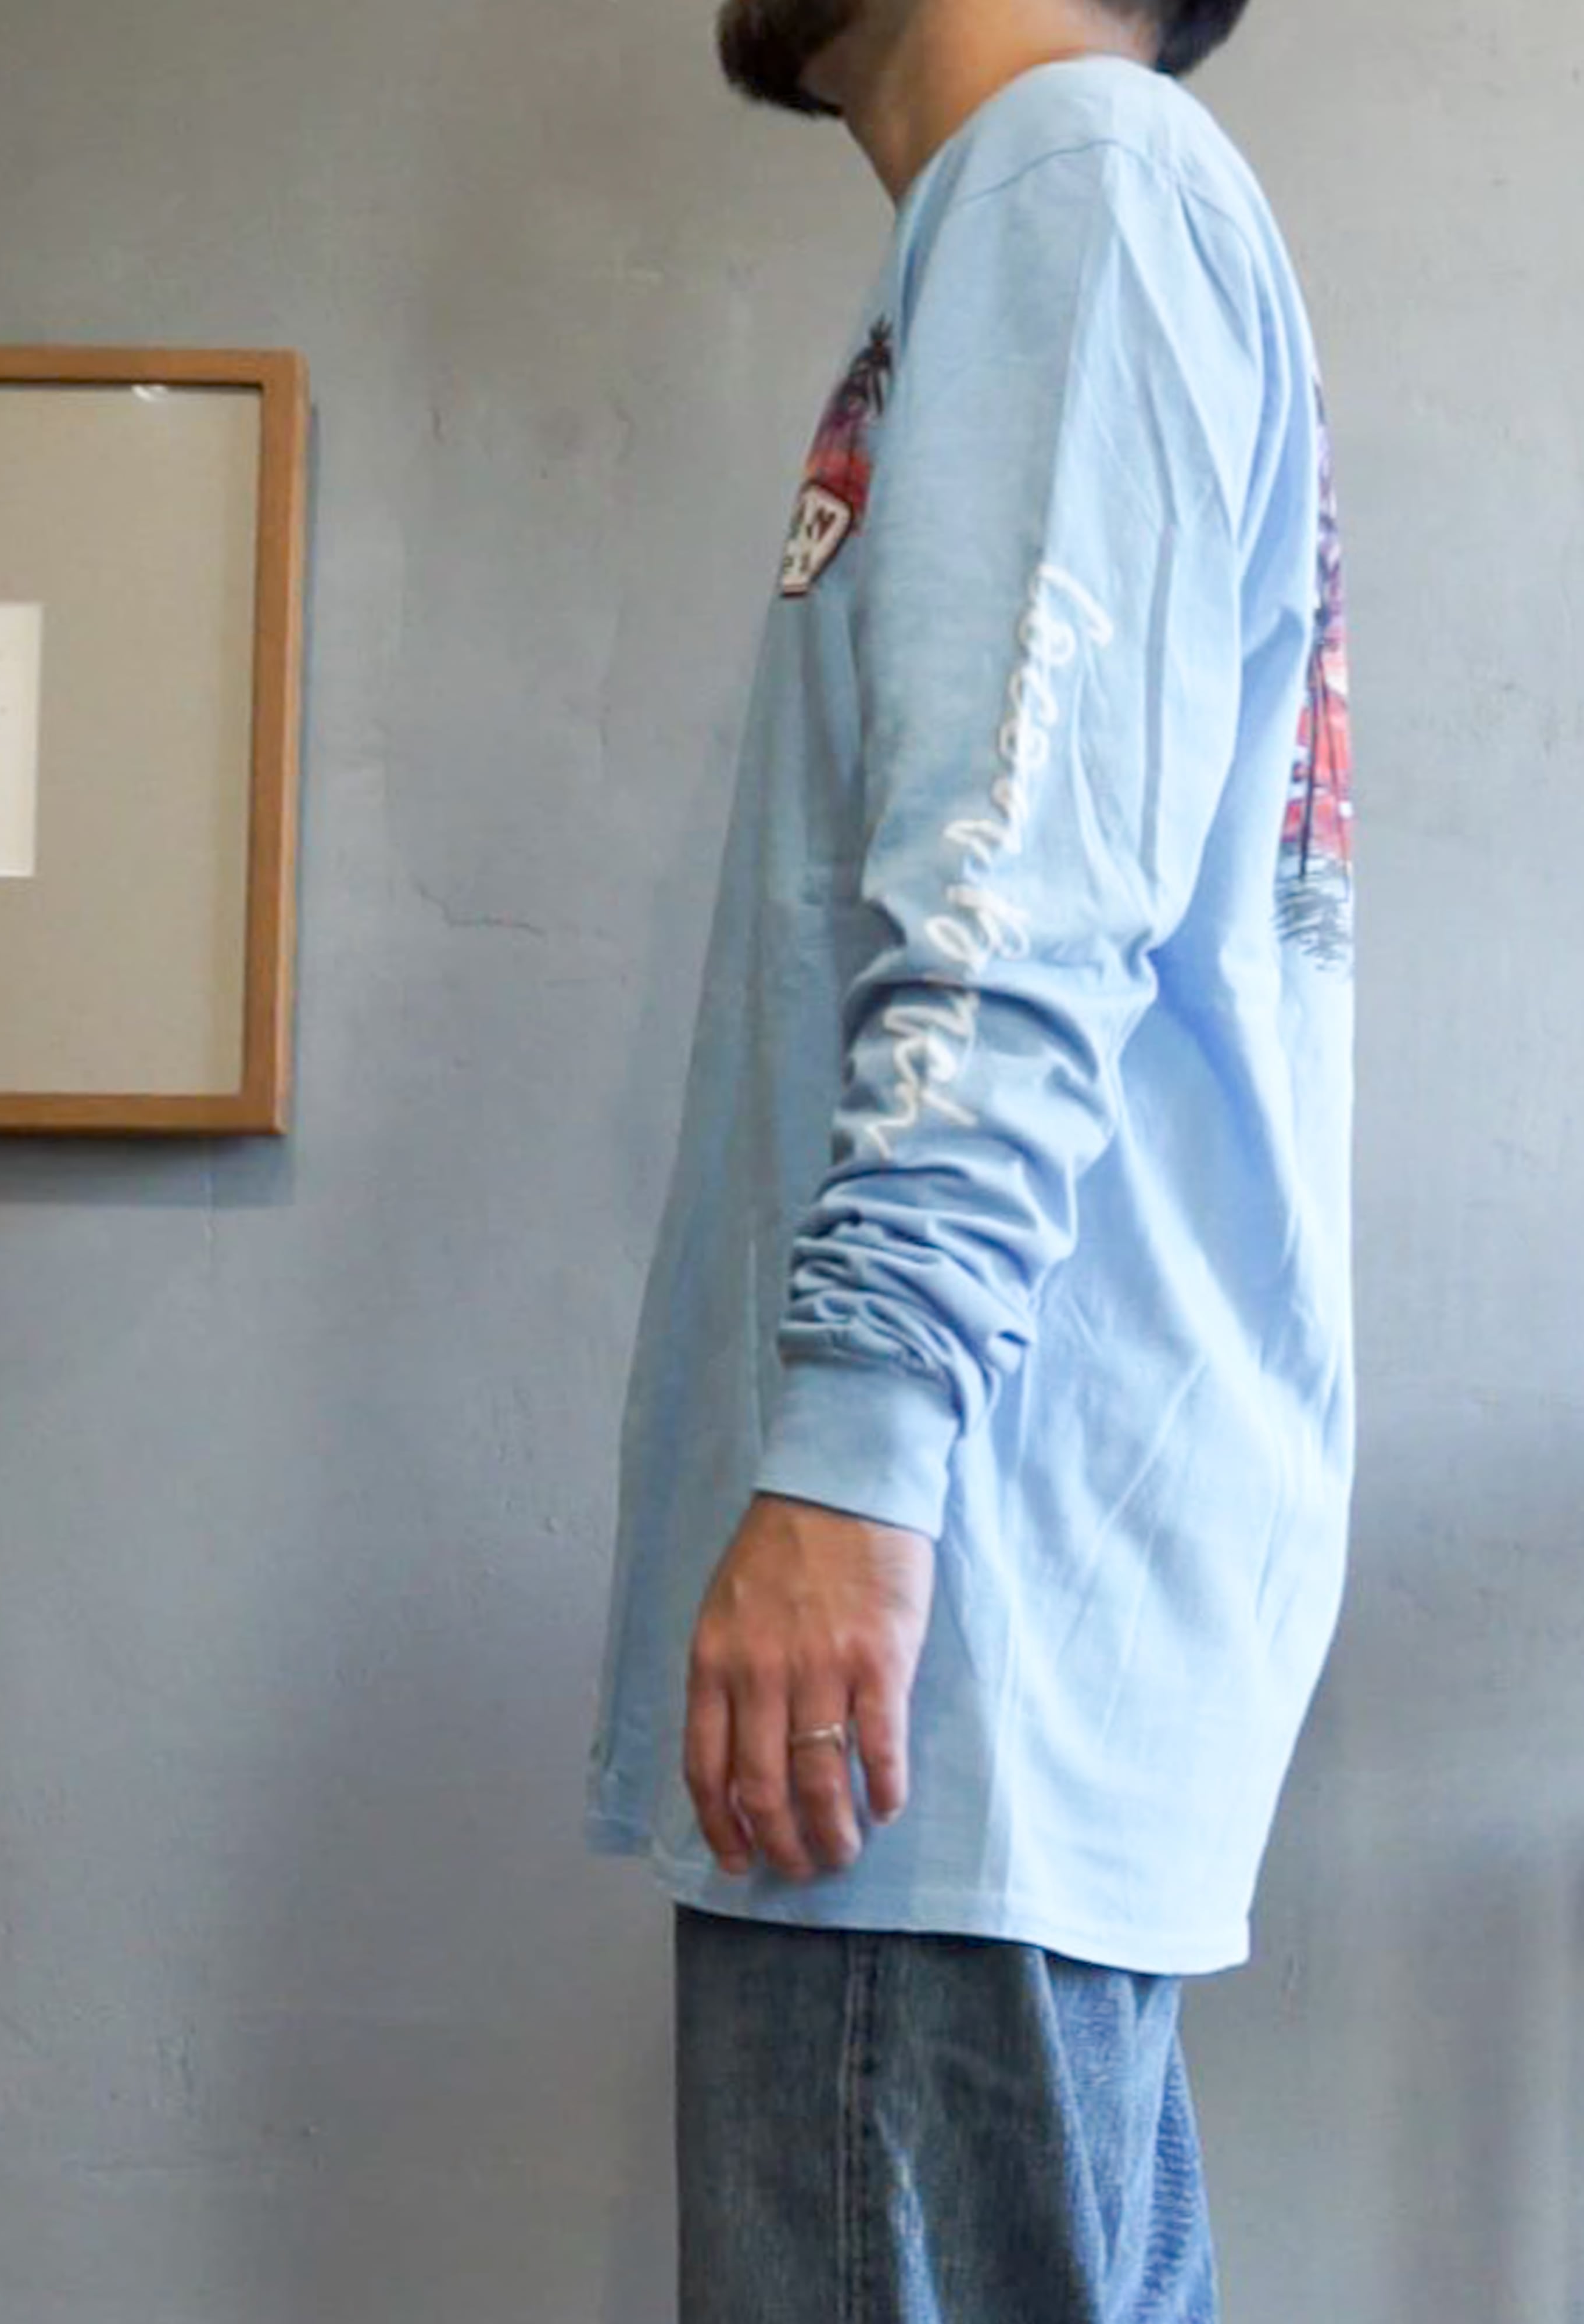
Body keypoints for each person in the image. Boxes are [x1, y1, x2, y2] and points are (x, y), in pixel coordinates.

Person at [583, 0, 1356, 2313]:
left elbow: (1019, 898)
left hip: (946, 1630)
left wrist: (852, 1454)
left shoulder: (1074, 184)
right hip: (1003, 1626)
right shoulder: (1066, 212)